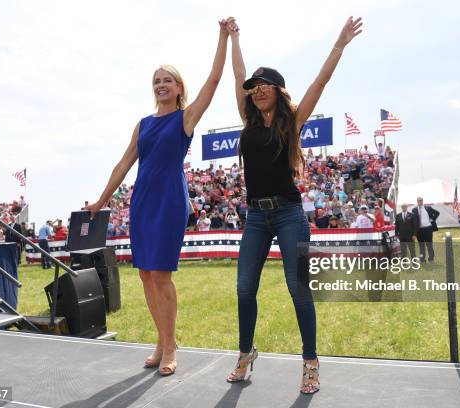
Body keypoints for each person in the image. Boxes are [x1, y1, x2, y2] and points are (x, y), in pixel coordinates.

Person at [86, 18, 232, 377]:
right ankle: (161, 339)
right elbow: (124, 162)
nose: (161, 84)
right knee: (146, 276)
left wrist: (223, 36)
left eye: (168, 79)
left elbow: (214, 82)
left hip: (169, 199)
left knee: (162, 275)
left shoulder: (186, 118)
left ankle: (170, 346)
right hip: (142, 201)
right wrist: (102, 200)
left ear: (180, 87)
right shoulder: (144, 123)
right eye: (156, 81)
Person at [225, 16, 363, 394]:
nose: (257, 91)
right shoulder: (248, 121)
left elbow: (320, 82)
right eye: (254, 87)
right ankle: (245, 353)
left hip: (288, 214)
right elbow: (238, 73)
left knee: (298, 288)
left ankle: (310, 363)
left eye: (265, 85)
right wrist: (234, 37)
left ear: (279, 90)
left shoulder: (293, 121)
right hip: (255, 217)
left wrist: (340, 43)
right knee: (243, 289)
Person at [412, 197, 440, 262]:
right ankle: (422, 259)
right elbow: (414, 220)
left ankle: (431, 258)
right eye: (418, 201)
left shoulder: (428, 208)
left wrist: (432, 219)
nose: (420, 202)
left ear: (422, 201)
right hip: (419, 230)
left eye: (421, 200)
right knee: (421, 246)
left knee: (429, 245)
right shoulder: (414, 210)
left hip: (428, 229)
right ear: (417, 201)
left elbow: (437, 213)